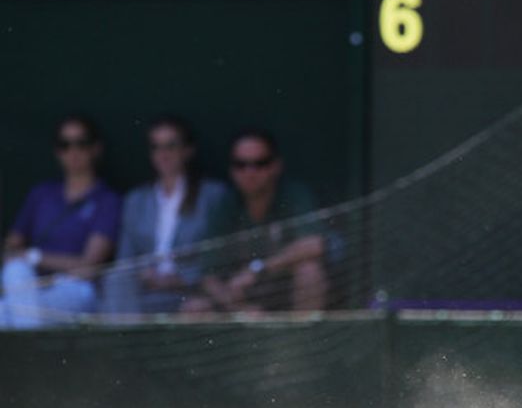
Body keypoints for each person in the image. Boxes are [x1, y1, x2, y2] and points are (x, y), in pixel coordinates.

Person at [182, 129, 327, 313]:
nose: (250, 172)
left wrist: (258, 269)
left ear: (276, 166)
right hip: (240, 298)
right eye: (241, 165)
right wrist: (238, 307)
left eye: (260, 164)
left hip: (283, 290)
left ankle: (304, 341)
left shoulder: (293, 194)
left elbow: (314, 244)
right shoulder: (225, 203)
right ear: (232, 170)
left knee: (309, 272)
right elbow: (207, 275)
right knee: (194, 308)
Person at [101, 116, 232, 316]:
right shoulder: (136, 200)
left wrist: (179, 279)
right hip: (146, 292)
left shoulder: (212, 195)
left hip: (189, 293)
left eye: (171, 146)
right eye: (156, 147)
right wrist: (146, 275)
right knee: (116, 279)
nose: (163, 154)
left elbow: (217, 258)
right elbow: (125, 260)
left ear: (187, 150)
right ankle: (124, 343)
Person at [1, 116, 121, 328]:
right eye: (65, 145)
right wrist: (19, 257)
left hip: (75, 289)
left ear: (95, 148)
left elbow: (89, 266)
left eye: (81, 143)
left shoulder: (106, 200)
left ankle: (31, 354)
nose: (73, 151)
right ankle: (33, 352)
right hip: (32, 285)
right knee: (15, 273)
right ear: (57, 151)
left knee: (9, 313)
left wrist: (34, 257)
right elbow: (11, 247)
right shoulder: (42, 194)